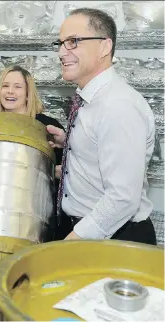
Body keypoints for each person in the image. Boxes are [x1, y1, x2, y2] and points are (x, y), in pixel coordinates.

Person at [47, 8, 157, 244]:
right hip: (91, 231)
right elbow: (102, 151)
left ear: (105, 47)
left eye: (73, 41)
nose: (61, 52)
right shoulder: (90, 98)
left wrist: (72, 242)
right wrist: (70, 143)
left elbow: (123, 198)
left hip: (114, 238)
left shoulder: (118, 106)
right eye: (60, 43)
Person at [0, 65, 65, 240]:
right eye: (5, 86)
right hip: (3, 213)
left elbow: (67, 170)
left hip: (42, 215)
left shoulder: (47, 126)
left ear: (27, 93)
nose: (10, 92)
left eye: (17, 87)